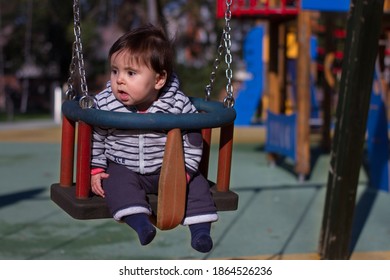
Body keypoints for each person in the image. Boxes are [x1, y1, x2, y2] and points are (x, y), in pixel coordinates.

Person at [90, 24, 218, 253]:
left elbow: (192, 139)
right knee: (115, 181)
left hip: (168, 170)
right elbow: (97, 136)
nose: (119, 80)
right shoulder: (106, 104)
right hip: (124, 166)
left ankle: (200, 232)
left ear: (159, 80)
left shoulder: (177, 104)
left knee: (197, 185)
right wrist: (97, 169)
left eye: (130, 73)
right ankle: (140, 224)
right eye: (115, 71)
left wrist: (185, 172)